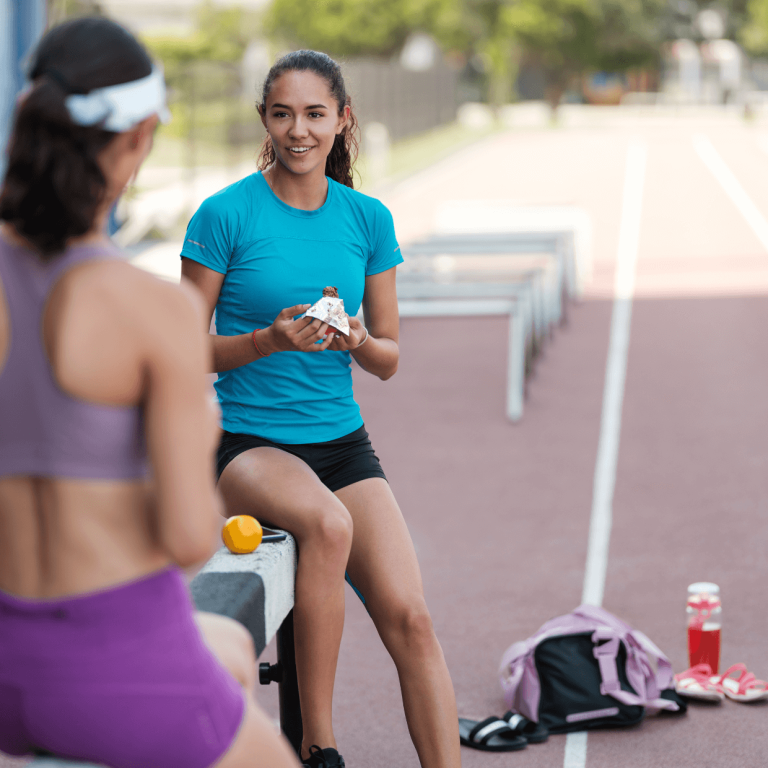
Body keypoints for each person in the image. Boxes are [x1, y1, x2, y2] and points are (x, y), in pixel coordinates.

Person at [0, 18, 299, 768]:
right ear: (139, 136)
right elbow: (189, 538)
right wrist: (198, 433)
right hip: (111, 666)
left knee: (229, 644)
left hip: (8, 662)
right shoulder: (153, 311)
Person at [181, 50, 461, 768]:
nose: (298, 131)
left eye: (314, 114)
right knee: (327, 526)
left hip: (342, 444)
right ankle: (320, 745)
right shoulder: (224, 215)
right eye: (282, 114)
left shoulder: (367, 218)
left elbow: (391, 357)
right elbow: (179, 350)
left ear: (343, 120)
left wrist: (362, 339)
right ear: (265, 121)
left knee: (413, 619)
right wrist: (264, 341)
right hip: (248, 444)